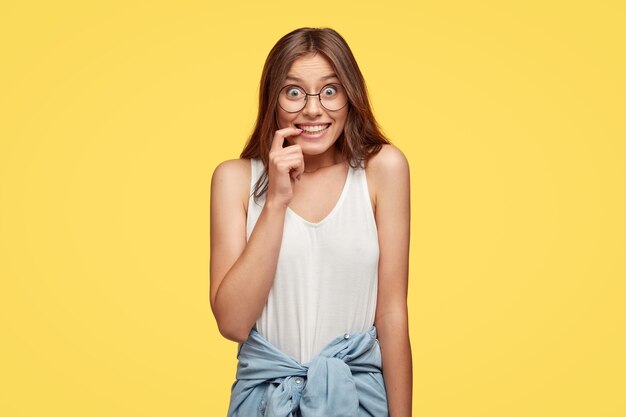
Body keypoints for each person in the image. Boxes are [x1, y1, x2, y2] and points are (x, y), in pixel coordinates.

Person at [210, 27, 412, 416]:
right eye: (294, 92)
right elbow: (233, 323)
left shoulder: (383, 169)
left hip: (357, 401)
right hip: (265, 403)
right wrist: (276, 202)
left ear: (351, 98)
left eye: (331, 91)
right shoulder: (234, 180)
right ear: (273, 100)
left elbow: (392, 314)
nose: (313, 109)